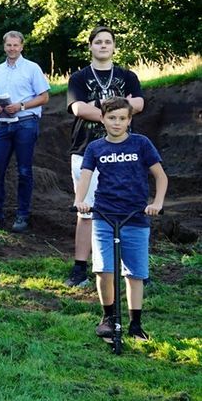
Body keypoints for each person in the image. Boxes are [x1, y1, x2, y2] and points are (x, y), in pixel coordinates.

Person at [73, 97, 166, 341]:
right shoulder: (95, 148)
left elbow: (160, 176)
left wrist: (156, 203)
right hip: (104, 215)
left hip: (135, 216)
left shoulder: (141, 144)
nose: (117, 123)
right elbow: (85, 177)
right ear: (102, 119)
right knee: (104, 269)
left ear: (129, 120)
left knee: (135, 273)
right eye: (111, 118)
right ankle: (109, 317)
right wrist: (80, 200)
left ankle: (135, 323)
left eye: (122, 118)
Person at [65, 26, 144, 287]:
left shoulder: (127, 75)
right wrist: (117, 108)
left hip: (125, 151)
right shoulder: (78, 77)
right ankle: (79, 268)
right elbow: (78, 108)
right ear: (90, 46)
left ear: (113, 47)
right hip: (86, 148)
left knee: (127, 208)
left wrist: (97, 107)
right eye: (98, 42)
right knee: (85, 210)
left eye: (107, 42)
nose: (103, 46)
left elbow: (140, 104)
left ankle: (133, 268)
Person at [0, 31, 50, 233]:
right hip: (3, 124)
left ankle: (22, 216)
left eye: (16, 45)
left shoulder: (32, 68)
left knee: (24, 171)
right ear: (4, 46)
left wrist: (22, 105)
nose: (12, 49)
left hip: (26, 122)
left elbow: (44, 97)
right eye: (9, 45)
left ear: (22, 46)